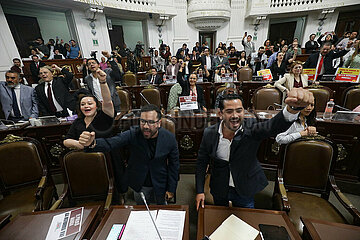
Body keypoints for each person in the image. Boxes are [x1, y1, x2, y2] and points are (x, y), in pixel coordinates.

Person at [195, 88, 314, 209]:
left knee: (245, 222)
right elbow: (201, 163)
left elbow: (273, 126)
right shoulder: (209, 133)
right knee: (219, 217)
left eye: (239, 111)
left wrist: (292, 110)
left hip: (245, 187)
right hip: (219, 186)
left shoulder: (251, 127)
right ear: (220, 114)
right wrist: (200, 191)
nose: (235, 116)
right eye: (229, 111)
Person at [79, 104, 180, 205]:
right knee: (142, 212)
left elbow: (174, 165)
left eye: (150, 122)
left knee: (162, 210)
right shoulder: (133, 133)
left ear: (159, 123)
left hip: (161, 183)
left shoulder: (169, 138)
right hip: (140, 183)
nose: (145, 126)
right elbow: (111, 143)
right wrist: (93, 143)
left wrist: (171, 188)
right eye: (143, 121)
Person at [64, 69, 114, 149]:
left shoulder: (104, 117)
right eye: (83, 104)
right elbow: (66, 140)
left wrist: (103, 82)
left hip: (105, 155)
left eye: (90, 104)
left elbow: (107, 101)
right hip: (85, 156)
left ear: (96, 106)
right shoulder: (78, 121)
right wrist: (80, 144)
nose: (86, 106)